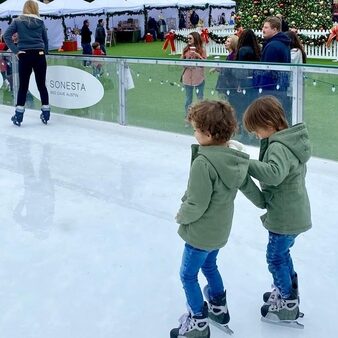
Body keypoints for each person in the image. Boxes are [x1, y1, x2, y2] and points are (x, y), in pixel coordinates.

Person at [171, 99, 265, 338]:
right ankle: (218, 308)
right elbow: (247, 186)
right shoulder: (234, 158)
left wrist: (182, 216)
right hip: (220, 231)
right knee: (210, 265)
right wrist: (264, 203)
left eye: (196, 129)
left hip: (200, 233)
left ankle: (198, 322)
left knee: (188, 275)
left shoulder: (204, 163)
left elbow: (197, 203)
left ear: (209, 133)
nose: (194, 134)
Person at [243, 95, 311, 326]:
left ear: (269, 124)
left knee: (274, 258)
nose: (255, 135)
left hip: (284, 216)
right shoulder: (288, 141)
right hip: (294, 211)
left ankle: (288, 303)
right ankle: (288, 291)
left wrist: (245, 163)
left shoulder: (279, 147)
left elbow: (274, 174)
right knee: (283, 255)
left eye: (256, 130)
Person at [3, 0, 50, 126]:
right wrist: (44, 52)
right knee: (41, 85)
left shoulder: (18, 21)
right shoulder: (40, 22)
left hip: (25, 55)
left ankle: (19, 115)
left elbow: (6, 36)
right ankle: (46, 113)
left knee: (23, 86)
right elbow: (45, 40)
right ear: (36, 8)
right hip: (39, 55)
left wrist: (16, 51)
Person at [253, 16, 291, 123]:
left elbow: (267, 71)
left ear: (274, 29)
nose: (263, 30)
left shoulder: (272, 46)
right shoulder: (282, 44)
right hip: (280, 87)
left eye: (266, 27)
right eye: (263, 27)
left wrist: (261, 88)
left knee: (268, 119)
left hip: (271, 89)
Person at [181, 32, 207, 126]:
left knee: (200, 99)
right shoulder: (185, 50)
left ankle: (200, 119)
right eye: (187, 38)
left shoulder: (202, 50)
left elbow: (204, 63)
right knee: (188, 99)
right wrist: (187, 62)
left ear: (195, 39)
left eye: (190, 38)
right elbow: (181, 62)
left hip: (198, 78)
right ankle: (188, 118)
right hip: (187, 77)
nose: (188, 40)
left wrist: (197, 55)